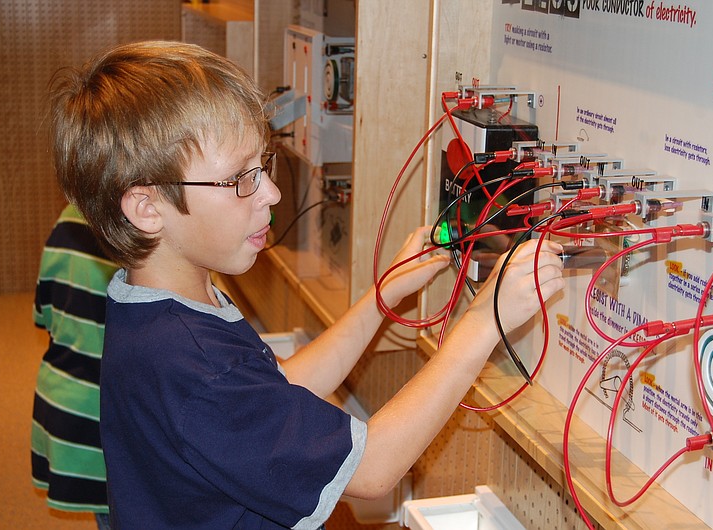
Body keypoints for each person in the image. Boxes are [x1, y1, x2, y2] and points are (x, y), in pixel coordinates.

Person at [47, 41, 565, 529]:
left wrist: (381, 299)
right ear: (147, 208)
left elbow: (273, 391)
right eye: (240, 178)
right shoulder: (196, 366)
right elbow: (373, 468)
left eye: (264, 166)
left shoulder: (156, 304)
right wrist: (482, 323)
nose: (271, 192)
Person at [31, 204, 117, 529]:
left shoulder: (67, 220)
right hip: (104, 418)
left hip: (64, 400)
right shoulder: (138, 233)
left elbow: (44, 315)